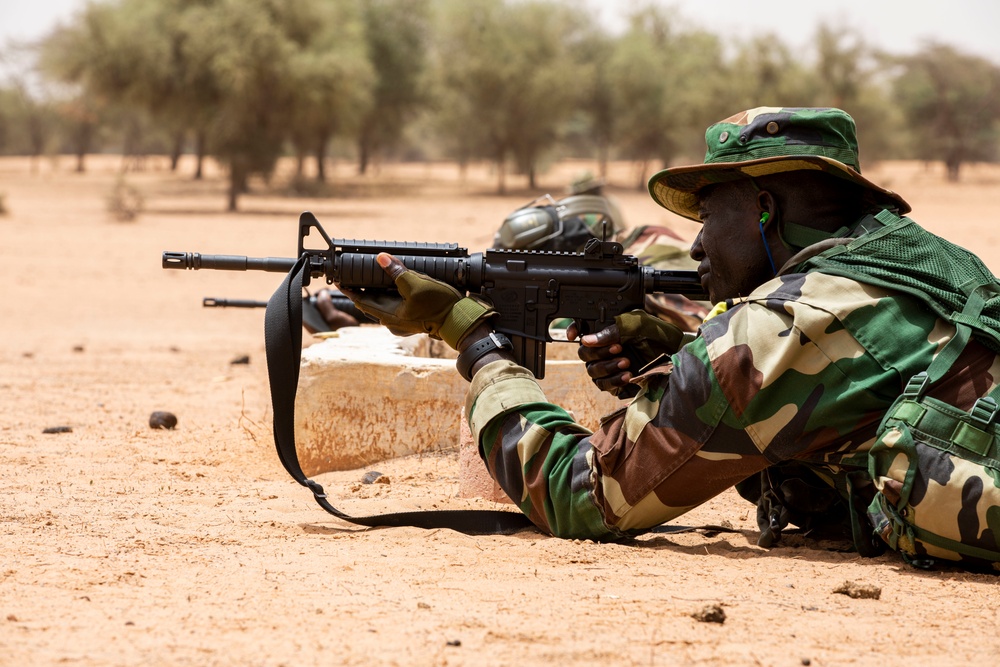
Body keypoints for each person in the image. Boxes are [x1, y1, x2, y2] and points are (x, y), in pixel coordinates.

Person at [341, 107, 1000, 569]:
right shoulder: (933, 262)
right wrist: (681, 349)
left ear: (764, 212)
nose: (696, 242)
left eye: (710, 214)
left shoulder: (780, 329)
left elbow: (581, 495)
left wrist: (474, 339)